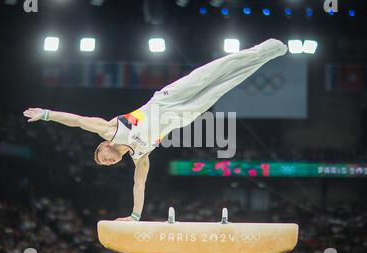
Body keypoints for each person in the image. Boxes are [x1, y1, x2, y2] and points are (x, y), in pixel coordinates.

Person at [23, 38, 288, 221]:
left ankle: (261, 49)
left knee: (213, 72)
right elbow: (139, 185)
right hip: (183, 116)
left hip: (166, 99)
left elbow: (79, 120)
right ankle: (267, 57)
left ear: (104, 146)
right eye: (106, 164)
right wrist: (135, 215)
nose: (108, 161)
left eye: (103, 157)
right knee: (225, 86)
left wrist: (47, 114)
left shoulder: (111, 130)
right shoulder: (141, 157)